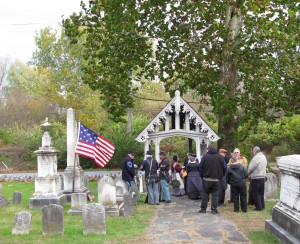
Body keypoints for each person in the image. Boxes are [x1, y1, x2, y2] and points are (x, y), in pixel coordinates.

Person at [199, 144, 227, 214]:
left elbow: (200, 167)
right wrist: (221, 176)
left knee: (205, 194)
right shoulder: (220, 157)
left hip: (206, 179)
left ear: (208, 149)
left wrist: (201, 176)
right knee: (215, 194)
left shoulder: (204, 157)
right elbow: (224, 168)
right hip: (217, 179)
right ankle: (214, 210)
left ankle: (203, 209)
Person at [248, 146, 267, 211]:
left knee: (256, 193)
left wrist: (248, 174)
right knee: (261, 192)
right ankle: (262, 205)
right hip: (263, 177)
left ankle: (258, 207)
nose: (253, 153)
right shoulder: (264, 157)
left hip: (256, 177)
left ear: (255, 151)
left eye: (253, 151)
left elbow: (251, 168)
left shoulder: (256, 158)